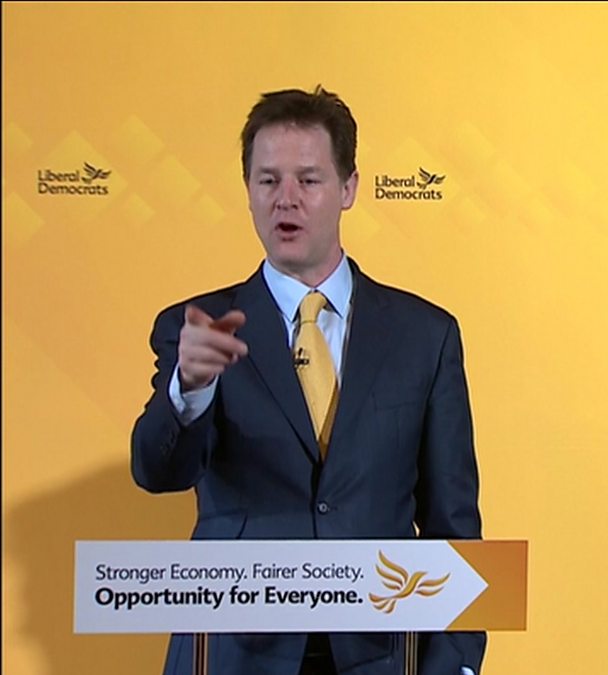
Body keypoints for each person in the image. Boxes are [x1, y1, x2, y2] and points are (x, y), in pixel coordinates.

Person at [131, 86, 485, 675]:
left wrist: (455, 665)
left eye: (308, 180)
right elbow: (156, 472)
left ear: (348, 189)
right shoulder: (196, 328)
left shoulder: (426, 335)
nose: (285, 199)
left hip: (379, 655)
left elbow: (454, 525)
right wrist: (188, 390)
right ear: (247, 190)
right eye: (268, 181)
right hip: (236, 655)